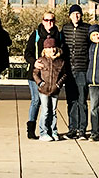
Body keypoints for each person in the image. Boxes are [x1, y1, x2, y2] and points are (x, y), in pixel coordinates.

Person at [24, 11, 63, 140]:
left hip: (52, 76)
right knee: (36, 101)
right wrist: (34, 62)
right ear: (42, 21)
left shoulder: (59, 35)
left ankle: (49, 130)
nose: (49, 22)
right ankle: (31, 129)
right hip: (36, 75)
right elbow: (27, 53)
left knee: (50, 106)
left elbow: (62, 54)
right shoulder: (36, 35)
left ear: (55, 21)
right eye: (46, 20)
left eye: (51, 20)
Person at [62, 4, 91, 139]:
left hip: (82, 69)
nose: (76, 16)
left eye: (78, 14)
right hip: (69, 70)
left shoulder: (87, 29)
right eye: (73, 14)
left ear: (81, 15)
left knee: (82, 100)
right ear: (70, 16)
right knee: (71, 100)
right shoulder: (65, 29)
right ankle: (72, 128)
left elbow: (92, 48)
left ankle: (82, 129)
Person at [33, 37, 68, 141]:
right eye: (48, 48)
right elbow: (35, 73)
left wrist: (59, 84)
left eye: (53, 47)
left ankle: (53, 131)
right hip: (43, 90)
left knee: (53, 111)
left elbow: (64, 74)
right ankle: (43, 132)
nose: (51, 50)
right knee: (45, 111)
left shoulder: (60, 61)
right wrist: (40, 83)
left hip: (55, 90)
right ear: (45, 49)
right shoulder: (41, 60)